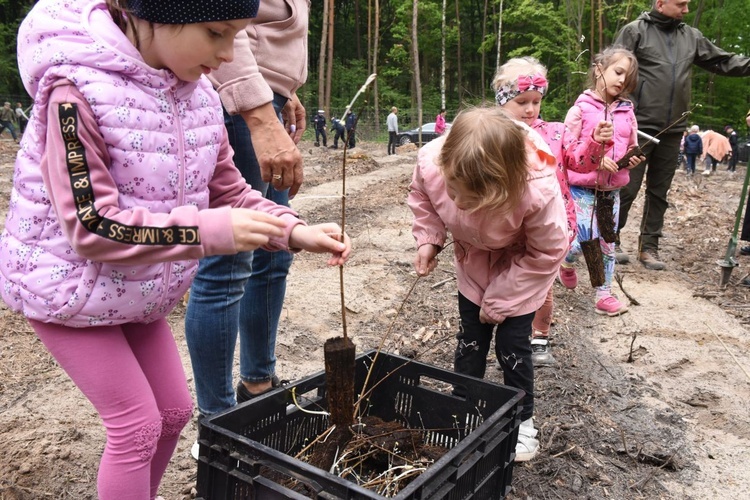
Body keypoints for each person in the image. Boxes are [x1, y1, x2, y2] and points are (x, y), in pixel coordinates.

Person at [0, 1, 351, 499]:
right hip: (67, 292)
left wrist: (294, 231)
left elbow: (230, 192)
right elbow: (92, 226)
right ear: (156, 15)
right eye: (215, 33)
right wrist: (208, 232)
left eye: (237, 35)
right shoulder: (74, 92)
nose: (228, 52)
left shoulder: (200, 96)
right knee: (136, 426)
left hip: (135, 293)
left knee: (172, 412)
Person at [185, 0, 310, 460]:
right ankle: (220, 424)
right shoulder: (215, 47)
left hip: (264, 91)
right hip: (237, 96)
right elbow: (222, 25)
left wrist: (284, 87)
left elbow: (275, 27)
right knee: (228, 264)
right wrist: (258, 113)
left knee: (273, 254)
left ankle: (258, 387)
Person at [408, 107, 569, 462]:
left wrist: (501, 299)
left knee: (513, 347)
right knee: (470, 341)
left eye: (473, 198)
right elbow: (423, 198)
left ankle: (522, 423)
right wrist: (429, 238)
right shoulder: (433, 163)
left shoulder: (534, 189)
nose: (460, 203)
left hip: (522, 269)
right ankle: (460, 410)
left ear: (503, 184)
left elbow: (548, 251)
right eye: (454, 191)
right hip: (473, 261)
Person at [614, 0, 750, 271]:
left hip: (674, 127)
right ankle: (611, 239)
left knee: (659, 191)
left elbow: (723, 61)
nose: (686, 10)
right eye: (681, 4)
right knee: (626, 185)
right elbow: (612, 70)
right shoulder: (635, 31)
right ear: (661, 3)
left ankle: (648, 247)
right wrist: (614, 111)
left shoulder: (691, 37)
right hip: (637, 125)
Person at [492, 56, 576, 366]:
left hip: (551, 221)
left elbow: (579, 159)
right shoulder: (494, 136)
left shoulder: (554, 132)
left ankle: (539, 336)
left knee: (542, 284)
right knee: (507, 273)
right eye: (522, 101)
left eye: (536, 101)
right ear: (503, 101)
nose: (530, 109)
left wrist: (596, 146)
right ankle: (508, 325)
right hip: (509, 221)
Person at [561, 46, 643, 316]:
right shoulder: (580, 109)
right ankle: (566, 261)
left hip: (611, 190)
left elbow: (632, 144)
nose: (621, 81)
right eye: (618, 72)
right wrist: (596, 159)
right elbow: (568, 149)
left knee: (607, 241)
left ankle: (603, 294)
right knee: (581, 241)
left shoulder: (627, 111)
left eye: (627, 78)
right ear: (599, 69)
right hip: (582, 188)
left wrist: (631, 158)